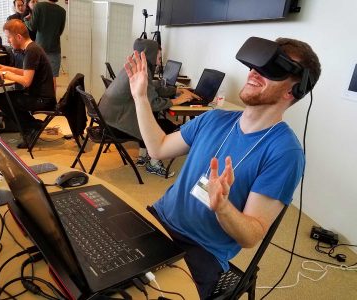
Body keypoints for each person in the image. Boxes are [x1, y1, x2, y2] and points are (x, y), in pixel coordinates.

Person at [124, 37, 321, 298]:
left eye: (271, 70)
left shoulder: (284, 153)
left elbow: (251, 236)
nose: (254, 72)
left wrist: (224, 208)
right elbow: (158, 148)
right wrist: (140, 97)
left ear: (292, 91)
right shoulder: (214, 118)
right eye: (255, 65)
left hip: (200, 251)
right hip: (158, 220)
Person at [98, 38, 200, 177]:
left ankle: (142, 157)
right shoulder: (143, 71)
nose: (159, 61)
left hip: (108, 118)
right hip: (115, 125)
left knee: (148, 118)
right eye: (158, 57)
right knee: (163, 126)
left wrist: (176, 91)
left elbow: (151, 88)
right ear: (149, 54)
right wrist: (178, 101)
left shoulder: (133, 66)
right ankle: (154, 164)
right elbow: (154, 103)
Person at [0, 19, 55, 148]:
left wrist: (3, 74)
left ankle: (32, 127)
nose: (8, 41)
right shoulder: (32, 48)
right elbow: (26, 72)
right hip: (39, 96)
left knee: (2, 99)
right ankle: (32, 125)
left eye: (9, 37)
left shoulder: (31, 51)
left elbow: (26, 81)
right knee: (2, 98)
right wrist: (5, 68)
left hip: (42, 99)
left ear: (18, 37)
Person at [24, 0, 66, 92]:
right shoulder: (62, 11)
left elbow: (32, 27)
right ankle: (52, 103)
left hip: (40, 48)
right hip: (55, 49)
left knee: (38, 77)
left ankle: (40, 101)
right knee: (52, 78)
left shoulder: (39, 6)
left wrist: (26, 20)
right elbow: (60, 31)